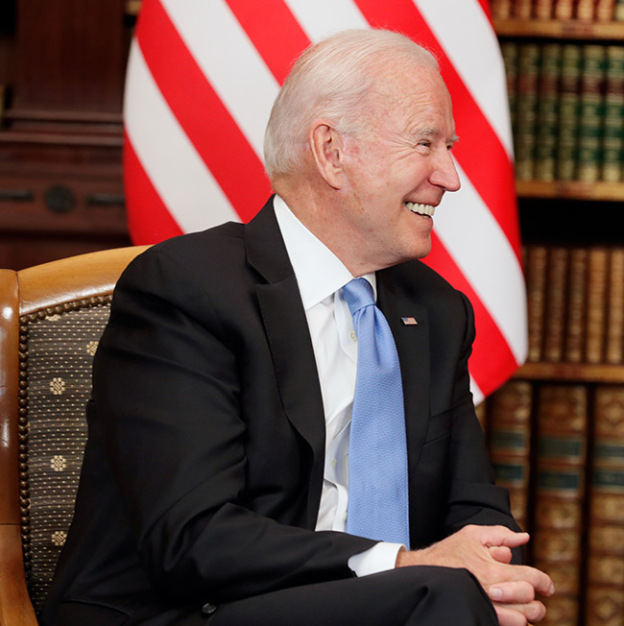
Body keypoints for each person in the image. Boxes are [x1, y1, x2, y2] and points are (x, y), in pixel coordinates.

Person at [41, 29, 553, 626]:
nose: (451, 176)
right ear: (331, 151)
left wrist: (495, 573)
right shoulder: (187, 289)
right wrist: (402, 565)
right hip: (190, 611)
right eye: (425, 143)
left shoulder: (436, 311)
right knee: (444, 596)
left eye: (450, 147)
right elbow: (192, 538)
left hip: (387, 607)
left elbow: (475, 510)